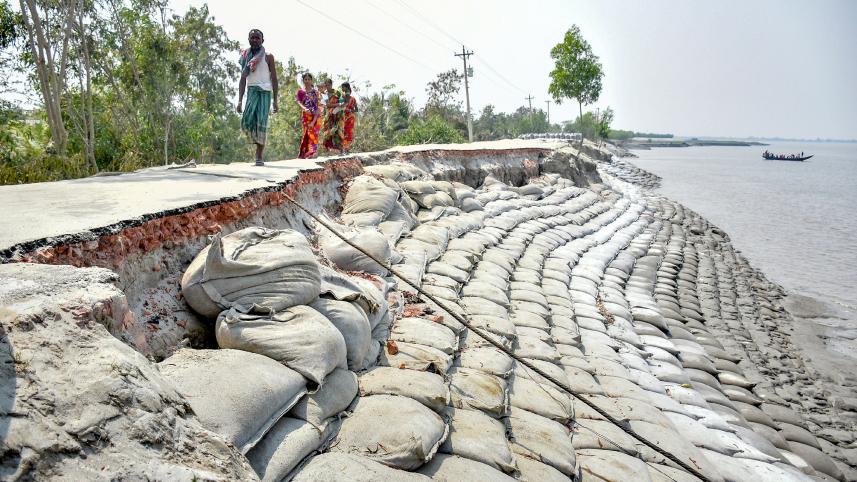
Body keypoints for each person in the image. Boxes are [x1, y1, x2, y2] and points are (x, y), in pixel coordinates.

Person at [237, 29, 278, 166]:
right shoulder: (245, 56)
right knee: (246, 121)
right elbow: (243, 78)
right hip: (251, 91)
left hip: (265, 92)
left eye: (257, 38)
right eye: (252, 38)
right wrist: (239, 100)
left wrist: (275, 101)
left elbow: (274, 79)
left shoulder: (268, 57)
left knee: (261, 122)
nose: (255, 40)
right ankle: (255, 140)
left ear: (262, 40)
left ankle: (259, 156)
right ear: (249, 39)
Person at [296, 73, 321, 159]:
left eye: (309, 79)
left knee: (313, 134)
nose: (307, 81)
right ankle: (306, 153)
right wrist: (304, 108)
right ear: (303, 81)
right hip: (306, 115)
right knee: (307, 133)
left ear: (311, 80)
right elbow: (298, 101)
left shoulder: (316, 92)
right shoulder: (301, 92)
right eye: (305, 79)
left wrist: (314, 120)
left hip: (316, 116)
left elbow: (319, 106)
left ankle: (312, 153)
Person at [321, 78, 344, 153]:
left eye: (329, 85)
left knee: (338, 131)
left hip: (337, 115)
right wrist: (337, 104)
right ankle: (327, 149)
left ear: (331, 84)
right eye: (326, 85)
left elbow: (342, 102)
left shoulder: (337, 92)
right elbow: (327, 105)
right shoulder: (324, 94)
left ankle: (341, 149)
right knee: (327, 132)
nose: (327, 87)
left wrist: (339, 105)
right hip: (328, 116)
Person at [340, 82, 358, 154]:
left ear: (346, 88)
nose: (342, 88)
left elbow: (356, 109)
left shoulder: (353, 99)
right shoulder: (342, 98)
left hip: (350, 118)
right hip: (343, 116)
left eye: (343, 87)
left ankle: (346, 149)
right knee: (342, 132)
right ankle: (343, 149)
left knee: (348, 132)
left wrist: (349, 110)